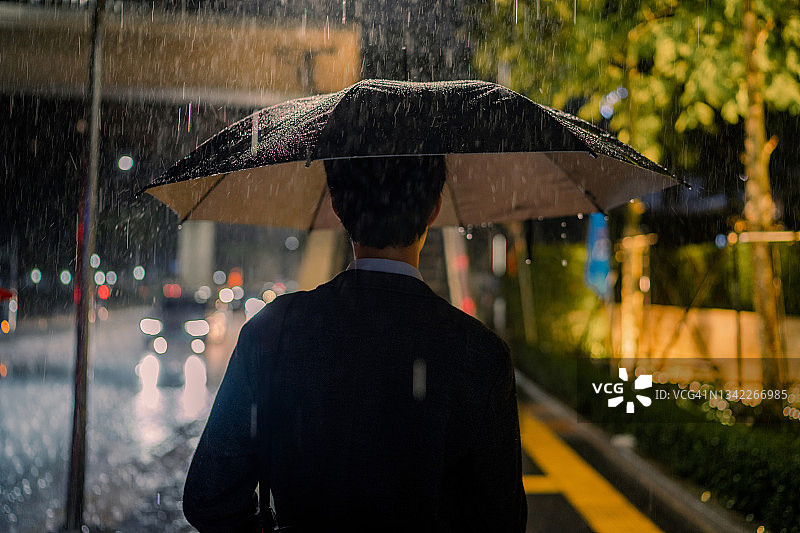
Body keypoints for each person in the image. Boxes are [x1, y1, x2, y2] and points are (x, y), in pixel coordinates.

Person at [182, 155, 527, 532]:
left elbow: (208, 498)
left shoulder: (273, 330)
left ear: (336, 205)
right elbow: (501, 522)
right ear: (434, 209)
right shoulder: (480, 354)